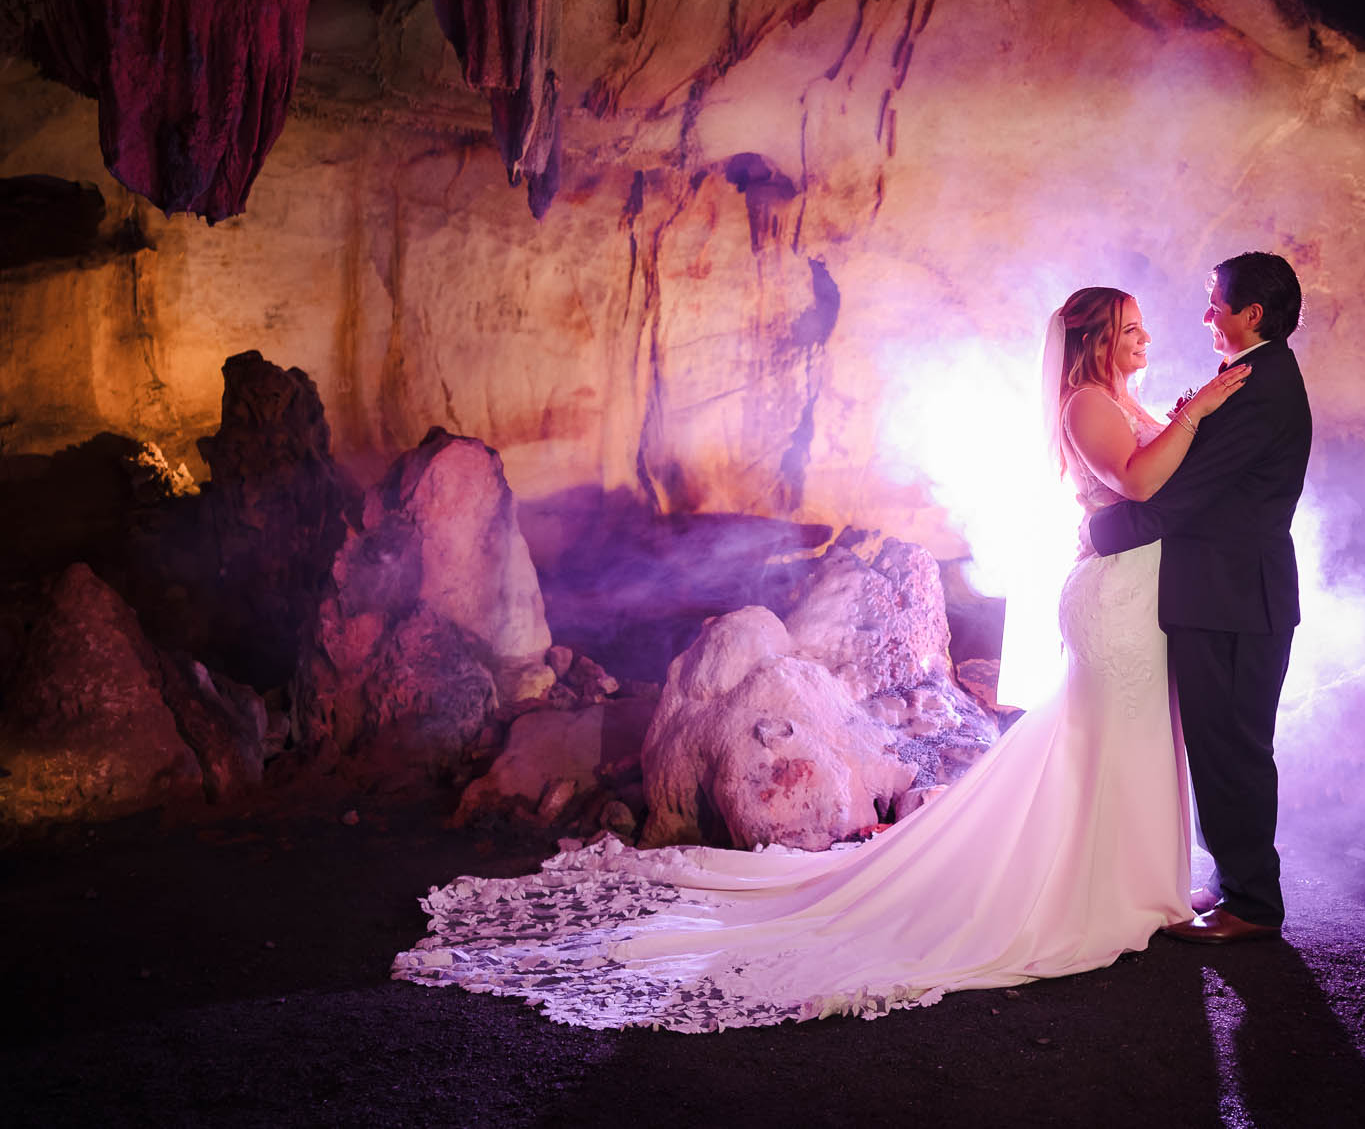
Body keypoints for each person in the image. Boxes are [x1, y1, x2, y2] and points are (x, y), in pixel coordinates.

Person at [390, 286, 1247, 1032]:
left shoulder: (1121, 399)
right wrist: (1197, 414)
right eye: (1129, 326)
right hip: (1117, 600)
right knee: (1111, 735)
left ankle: (1136, 879)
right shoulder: (1087, 404)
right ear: (1097, 336)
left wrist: (1180, 418)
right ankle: (1105, 890)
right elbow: (1138, 483)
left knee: (1127, 737)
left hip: (1144, 593)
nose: (1144, 336)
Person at [1087, 252, 1310, 944]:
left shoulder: (1262, 387)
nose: (1206, 313)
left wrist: (1098, 529)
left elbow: (1183, 494)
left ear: (1251, 315)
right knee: (1219, 743)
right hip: (1226, 595)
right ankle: (1235, 880)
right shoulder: (1256, 376)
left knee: (1234, 746)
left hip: (1234, 599)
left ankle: (1252, 903)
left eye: (1214, 302)